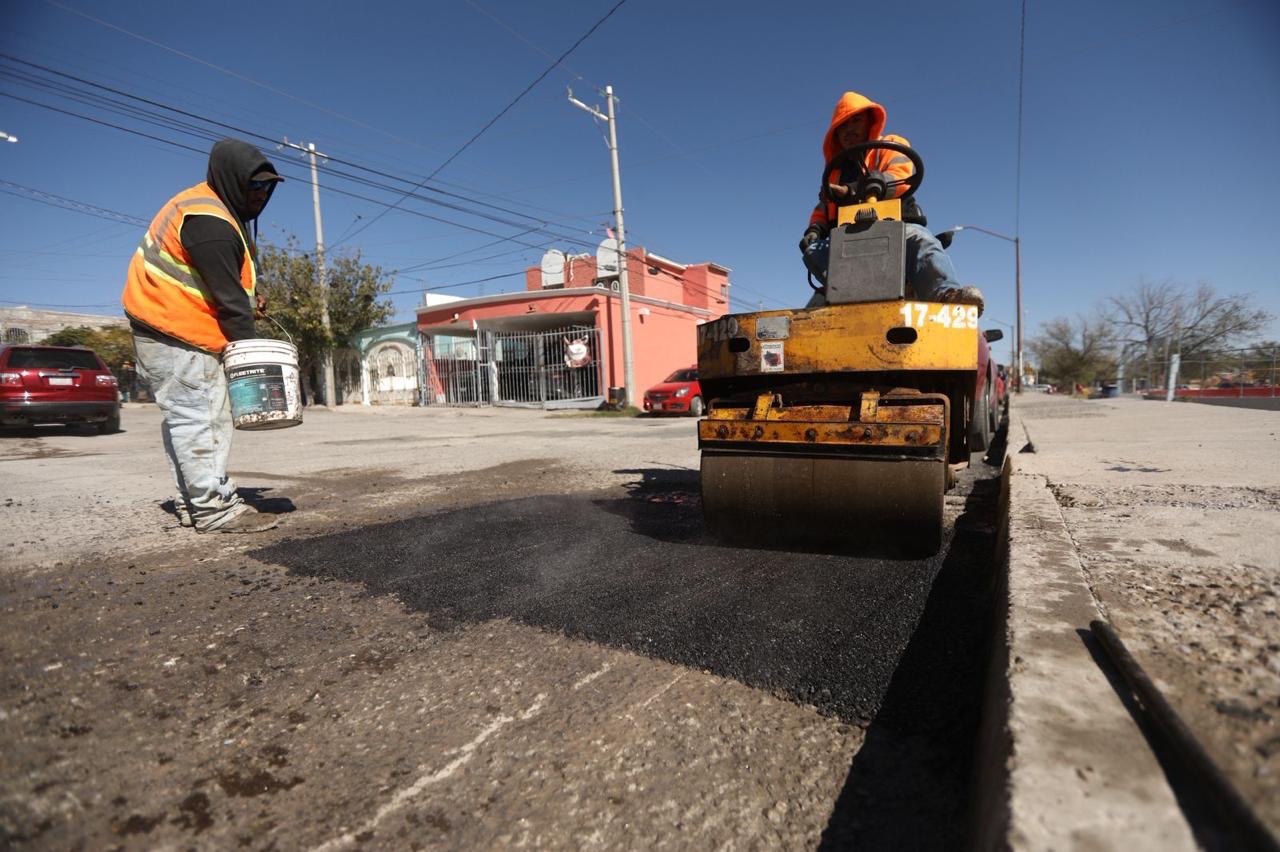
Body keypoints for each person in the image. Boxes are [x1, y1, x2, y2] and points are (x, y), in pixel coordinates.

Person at [121, 138, 284, 533]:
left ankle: (193, 503)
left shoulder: (210, 208)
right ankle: (214, 510)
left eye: (268, 186)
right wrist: (250, 358)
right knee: (204, 420)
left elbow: (218, 285)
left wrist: (249, 298)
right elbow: (229, 303)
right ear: (231, 180)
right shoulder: (210, 222)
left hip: (166, 327)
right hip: (179, 334)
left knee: (186, 420)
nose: (261, 194)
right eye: (254, 185)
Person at [799, 91, 984, 312]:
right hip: (849, 237)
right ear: (835, 134)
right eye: (843, 126)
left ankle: (946, 295)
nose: (849, 129)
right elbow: (824, 207)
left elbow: (900, 174)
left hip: (895, 228)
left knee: (921, 239)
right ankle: (849, 293)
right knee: (814, 251)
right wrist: (815, 228)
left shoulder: (890, 146)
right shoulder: (835, 172)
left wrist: (859, 188)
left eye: (856, 120)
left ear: (870, 121)